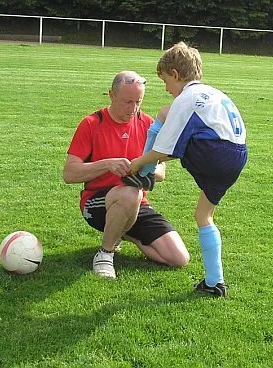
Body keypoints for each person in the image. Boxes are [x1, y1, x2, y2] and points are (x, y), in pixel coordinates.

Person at [127, 42, 248, 297]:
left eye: (165, 82)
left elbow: (165, 149)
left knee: (162, 118)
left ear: (175, 74)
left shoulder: (187, 98)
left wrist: (139, 163)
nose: (167, 89)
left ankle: (142, 173)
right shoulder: (213, 93)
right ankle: (215, 282)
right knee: (203, 215)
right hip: (237, 156)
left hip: (215, 153)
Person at [62, 70, 190, 279]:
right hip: (97, 203)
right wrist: (108, 165)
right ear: (112, 95)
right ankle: (105, 253)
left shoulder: (148, 124)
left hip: (137, 203)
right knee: (130, 193)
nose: (133, 108)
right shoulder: (92, 124)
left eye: (138, 102)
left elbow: (160, 171)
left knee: (178, 258)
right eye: (127, 102)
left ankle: (121, 230)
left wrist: (142, 168)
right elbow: (69, 174)